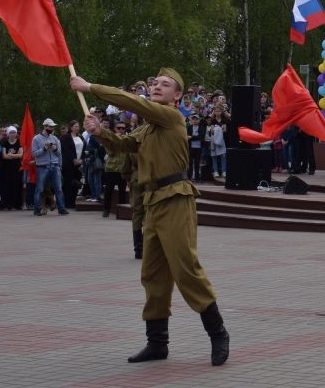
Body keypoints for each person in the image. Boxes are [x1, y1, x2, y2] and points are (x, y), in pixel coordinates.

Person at [72, 68, 230, 366]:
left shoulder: (171, 117)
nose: (157, 87)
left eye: (165, 84)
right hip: (153, 200)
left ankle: (218, 333)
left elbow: (134, 104)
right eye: (155, 83)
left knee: (185, 269)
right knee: (153, 275)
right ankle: (157, 343)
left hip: (176, 197)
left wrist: (90, 86)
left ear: (178, 95)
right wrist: (100, 132)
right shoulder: (147, 128)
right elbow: (124, 145)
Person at [32, 119, 68, 216]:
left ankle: (61, 209)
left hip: (55, 166)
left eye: (53, 127)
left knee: (58, 188)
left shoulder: (55, 139)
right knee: (39, 189)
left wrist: (54, 148)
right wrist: (44, 148)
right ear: (45, 126)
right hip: (42, 166)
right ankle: (37, 210)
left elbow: (59, 153)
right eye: (50, 127)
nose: (52, 128)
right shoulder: (36, 139)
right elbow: (34, 153)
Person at [102, 120, 131, 219]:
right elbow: (111, 152)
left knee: (122, 191)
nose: (121, 130)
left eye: (123, 128)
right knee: (108, 190)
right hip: (111, 169)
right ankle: (106, 210)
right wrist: (117, 139)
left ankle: (121, 211)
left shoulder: (126, 138)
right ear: (114, 129)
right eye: (119, 128)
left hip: (122, 168)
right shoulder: (110, 139)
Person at [0, 127, 24, 210]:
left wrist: (11, 155)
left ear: (16, 133)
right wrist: (15, 155)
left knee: (16, 185)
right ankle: (7, 204)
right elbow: (4, 156)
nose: (12, 134)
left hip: (17, 168)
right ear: (8, 134)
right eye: (11, 133)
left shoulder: (19, 142)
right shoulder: (5, 143)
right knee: (7, 185)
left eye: (14, 132)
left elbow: (21, 155)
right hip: (7, 168)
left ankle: (16, 204)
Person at [60, 121, 84, 206]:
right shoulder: (66, 137)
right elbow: (66, 150)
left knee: (76, 182)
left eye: (78, 126)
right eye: (76, 126)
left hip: (78, 163)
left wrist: (81, 159)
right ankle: (67, 202)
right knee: (68, 182)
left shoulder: (80, 137)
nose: (78, 128)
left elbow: (84, 149)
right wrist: (73, 159)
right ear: (71, 127)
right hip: (68, 163)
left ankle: (73, 200)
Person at [84, 121, 107, 203]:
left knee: (97, 179)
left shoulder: (99, 137)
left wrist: (90, 151)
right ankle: (93, 195)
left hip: (97, 161)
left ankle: (97, 196)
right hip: (90, 160)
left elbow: (101, 150)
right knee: (90, 179)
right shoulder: (90, 136)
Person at [187, 114, 205, 181]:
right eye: (193, 119)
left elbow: (201, 137)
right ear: (191, 120)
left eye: (196, 119)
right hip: (191, 147)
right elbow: (187, 136)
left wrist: (191, 137)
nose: (195, 120)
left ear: (199, 120)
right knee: (190, 163)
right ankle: (189, 177)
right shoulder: (189, 127)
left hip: (199, 147)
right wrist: (194, 137)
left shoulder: (201, 127)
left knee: (197, 163)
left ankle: (197, 178)